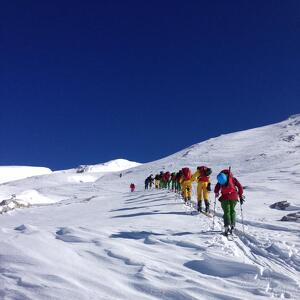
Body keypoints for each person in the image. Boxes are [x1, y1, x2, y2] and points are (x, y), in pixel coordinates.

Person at [214, 169, 244, 235]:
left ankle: (227, 226)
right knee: (232, 210)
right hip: (234, 197)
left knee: (226, 211)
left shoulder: (220, 179)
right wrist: (240, 195)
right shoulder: (233, 179)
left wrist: (216, 193)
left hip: (225, 197)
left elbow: (217, 188)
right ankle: (232, 225)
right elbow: (240, 187)